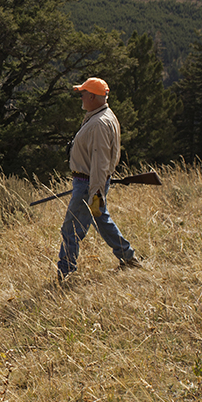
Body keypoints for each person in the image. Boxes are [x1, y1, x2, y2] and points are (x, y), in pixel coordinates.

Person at [57, 77, 141, 280]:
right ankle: (128, 257)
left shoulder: (99, 124)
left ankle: (66, 273)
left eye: (83, 94)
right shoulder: (102, 116)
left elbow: (99, 162)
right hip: (90, 183)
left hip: (88, 184)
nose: (81, 97)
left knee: (70, 229)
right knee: (101, 219)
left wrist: (95, 192)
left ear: (92, 96)